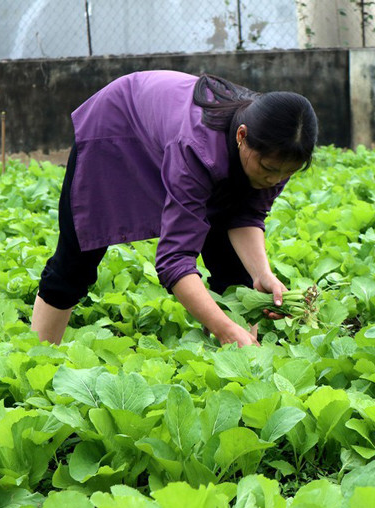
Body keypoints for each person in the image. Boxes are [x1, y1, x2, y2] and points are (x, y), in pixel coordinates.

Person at [31, 70, 318, 347]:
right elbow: (174, 260)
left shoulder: (276, 150)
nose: (274, 180)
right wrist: (224, 329)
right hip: (116, 129)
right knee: (76, 262)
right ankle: (39, 355)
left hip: (175, 137)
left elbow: (246, 216)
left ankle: (240, 363)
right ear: (242, 136)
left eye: (287, 173)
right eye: (268, 169)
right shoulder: (198, 147)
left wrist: (262, 274)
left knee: (236, 276)